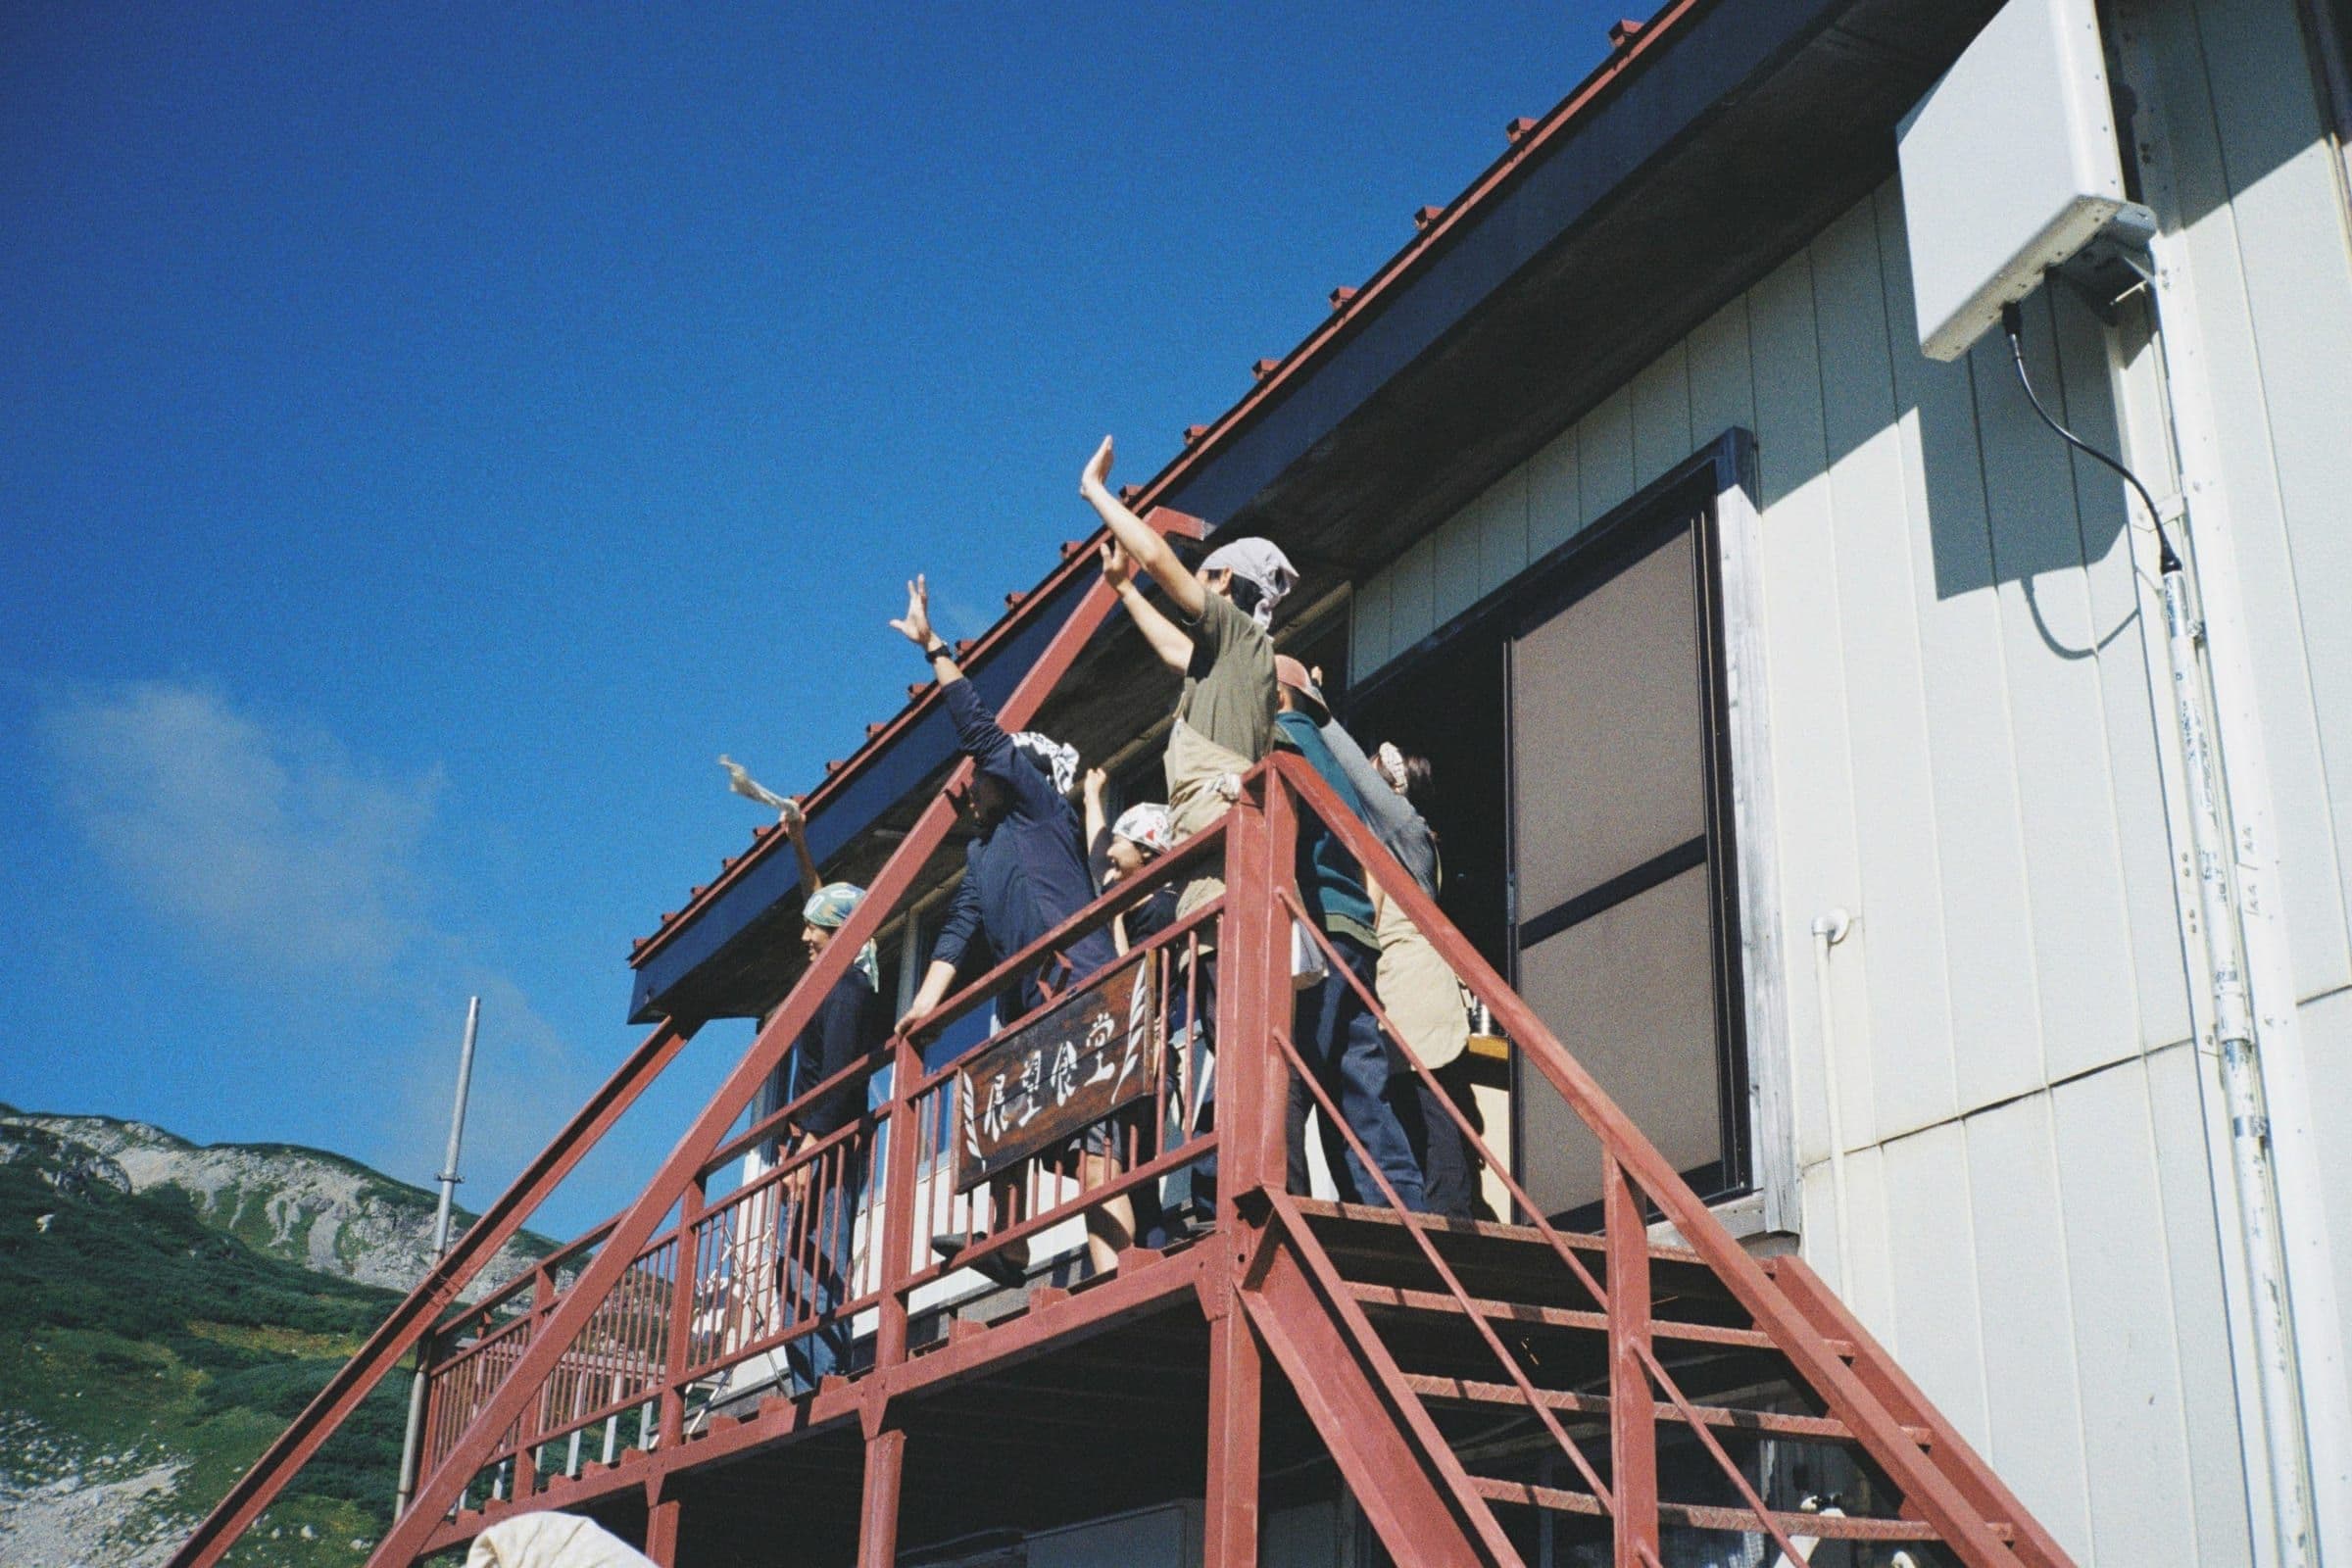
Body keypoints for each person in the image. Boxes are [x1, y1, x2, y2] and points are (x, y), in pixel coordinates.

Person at [888, 575, 1126, 1280]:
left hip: (1075, 983)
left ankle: (1115, 1269)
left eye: (983, 773)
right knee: (1004, 1119)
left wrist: (934, 648)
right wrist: (925, 1006)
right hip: (1028, 1002)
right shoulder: (985, 848)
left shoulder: (1038, 809)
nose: (974, 780)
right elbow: (959, 931)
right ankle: (1008, 1240)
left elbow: (981, 731)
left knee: (1091, 1136)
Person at [1079, 437, 1296, 920]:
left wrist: (1096, 493)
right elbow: (1173, 648)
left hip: (1219, 844)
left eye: (1202, 574)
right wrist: (1123, 590)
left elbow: (1158, 560)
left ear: (1223, 582)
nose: (1192, 583)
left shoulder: (1238, 634)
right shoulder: (1235, 657)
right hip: (1211, 845)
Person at [1306, 710, 1479, 1221]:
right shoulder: (1368, 845)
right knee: (1395, 1114)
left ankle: (1450, 1229)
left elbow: (1358, 782)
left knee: (1432, 1117)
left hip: (1415, 993)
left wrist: (1315, 710)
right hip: (1388, 993)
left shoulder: (1410, 835)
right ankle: (1416, 1224)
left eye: (1374, 763)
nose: (1364, 767)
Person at [764, 802, 883, 1394]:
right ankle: (809, 1375)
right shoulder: (841, 977)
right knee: (796, 1266)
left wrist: (807, 1151)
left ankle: (824, 1379)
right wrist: (799, 843)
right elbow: (823, 895)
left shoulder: (848, 991)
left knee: (816, 1263)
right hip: (812, 1145)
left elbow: (840, 1079)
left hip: (826, 1145)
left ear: (841, 934)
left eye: (817, 928)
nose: (805, 935)